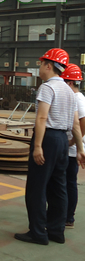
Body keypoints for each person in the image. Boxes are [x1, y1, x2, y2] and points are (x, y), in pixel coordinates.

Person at [15, 48, 85, 245]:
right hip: (63, 141)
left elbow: (42, 118)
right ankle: (56, 231)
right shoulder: (69, 91)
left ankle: (37, 233)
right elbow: (76, 124)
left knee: (37, 187)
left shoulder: (47, 88)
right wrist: (80, 149)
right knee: (58, 187)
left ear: (48, 66)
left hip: (48, 139)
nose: (39, 68)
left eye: (41, 64)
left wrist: (38, 146)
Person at [61, 63, 85, 229]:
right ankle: (65, 215)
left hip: (72, 150)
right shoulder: (76, 97)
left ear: (69, 83)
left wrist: (73, 142)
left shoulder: (77, 99)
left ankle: (69, 217)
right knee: (66, 182)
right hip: (71, 147)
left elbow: (83, 123)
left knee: (69, 182)